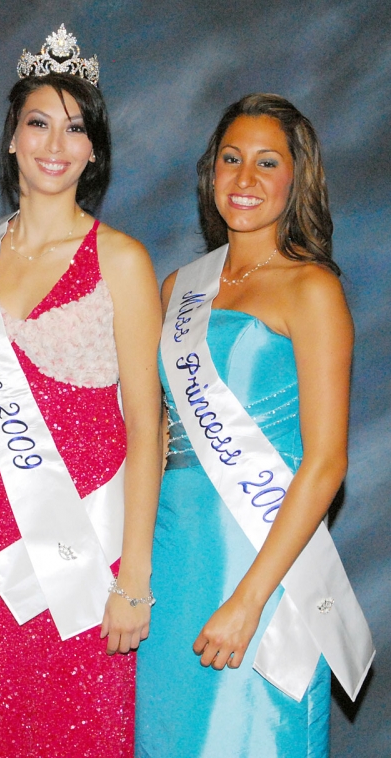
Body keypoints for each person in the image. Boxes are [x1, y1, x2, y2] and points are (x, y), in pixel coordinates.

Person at [135, 93, 374, 757]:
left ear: (296, 178)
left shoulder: (311, 288)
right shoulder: (178, 287)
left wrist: (248, 600)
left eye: (266, 163)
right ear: (211, 173)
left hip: (260, 564)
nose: (245, 180)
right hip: (175, 562)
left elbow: (326, 463)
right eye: (231, 160)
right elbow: (158, 436)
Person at [0, 24, 162, 757]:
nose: (54, 143)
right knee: (10, 733)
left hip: (94, 544)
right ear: (12, 137)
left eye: (75, 129)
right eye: (38, 122)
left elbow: (148, 424)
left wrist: (133, 578)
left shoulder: (122, 259)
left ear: (95, 150)